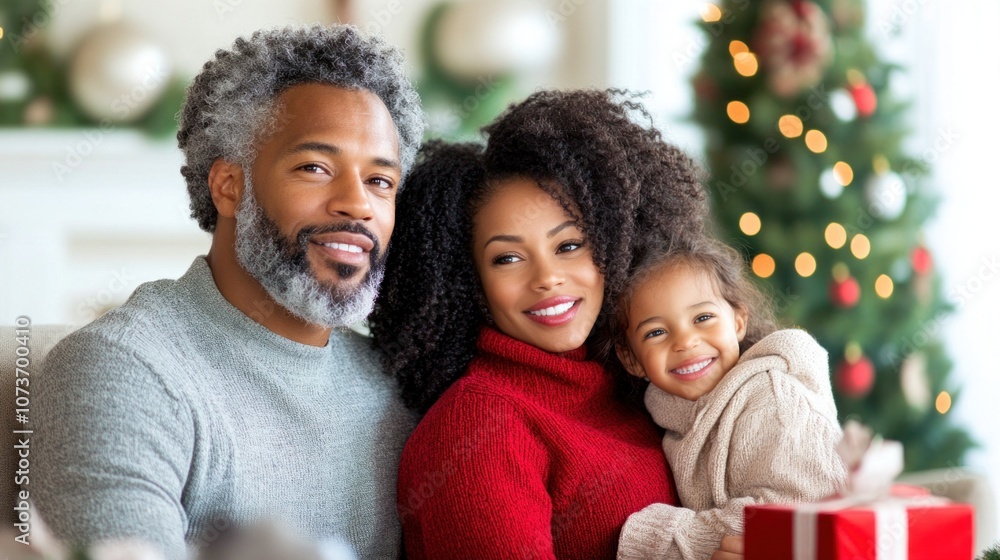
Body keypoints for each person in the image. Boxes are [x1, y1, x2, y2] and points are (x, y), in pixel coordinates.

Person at [32, 24, 424, 560]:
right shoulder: (122, 370)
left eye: (381, 181)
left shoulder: (396, 387)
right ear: (228, 185)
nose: (358, 205)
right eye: (315, 168)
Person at [370, 90, 745, 559]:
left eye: (569, 246)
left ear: (614, 240)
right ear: (470, 280)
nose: (547, 278)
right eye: (507, 258)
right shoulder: (477, 426)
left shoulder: (642, 382)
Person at [611, 235, 848, 559]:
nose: (685, 342)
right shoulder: (671, 419)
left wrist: (656, 540)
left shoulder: (774, 399)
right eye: (656, 333)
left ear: (737, 320)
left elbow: (796, 517)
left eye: (702, 318)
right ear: (632, 360)